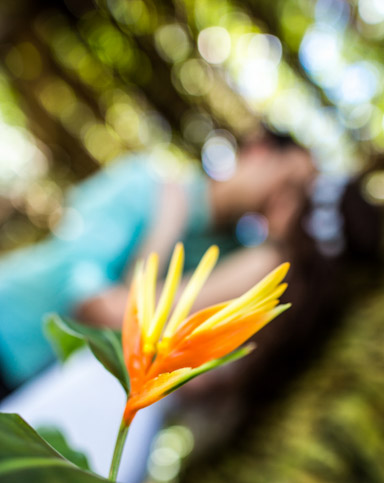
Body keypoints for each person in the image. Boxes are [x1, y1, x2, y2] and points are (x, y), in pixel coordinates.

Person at [0, 130, 315, 399]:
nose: (283, 201)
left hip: (38, 395)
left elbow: (196, 377)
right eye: (288, 182)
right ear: (259, 151)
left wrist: (162, 238)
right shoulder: (146, 184)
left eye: (299, 198)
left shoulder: (241, 265)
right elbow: (84, 296)